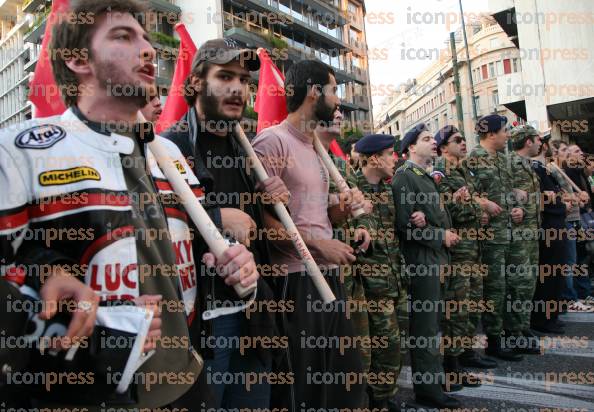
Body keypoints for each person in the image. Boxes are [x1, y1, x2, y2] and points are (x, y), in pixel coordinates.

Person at [0, 0, 257, 408]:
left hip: (188, 380)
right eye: (123, 36)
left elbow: (206, 248)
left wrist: (234, 263)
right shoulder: (21, 151)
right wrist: (44, 273)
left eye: (144, 36)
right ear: (77, 59)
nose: (149, 49)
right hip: (89, 396)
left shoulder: (170, 154)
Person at [161, 38, 288, 409]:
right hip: (204, 324)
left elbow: (260, 235)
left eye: (245, 80)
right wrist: (217, 219)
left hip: (254, 313)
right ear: (197, 82)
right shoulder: (171, 147)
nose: (238, 88)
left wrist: (273, 202)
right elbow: (149, 226)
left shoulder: (247, 152)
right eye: (225, 77)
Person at [252, 59, 366, 411]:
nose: (338, 101)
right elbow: (261, 225)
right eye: (334, 91)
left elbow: (315, 215)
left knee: (342, 379)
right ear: (314, 91)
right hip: (295, 281)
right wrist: (318, 246)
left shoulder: (316, 146)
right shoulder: (271, 142)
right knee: (303, 385)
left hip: (329, 275)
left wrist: (343, 212)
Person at [393, 123, 462, 409]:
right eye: (426, 139)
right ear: (410, 147)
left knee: (433, 326)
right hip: (422, 263)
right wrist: (439, 235)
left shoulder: (425, 176)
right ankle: (428, 391)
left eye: (433, 138)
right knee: (424, 329)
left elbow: (430, 216)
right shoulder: (405, 177)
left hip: (436, 260)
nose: (433, 142)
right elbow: (404, 226)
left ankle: (434, 382)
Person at [433, 125, 498, 374]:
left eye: (463, 139)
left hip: (474, 247)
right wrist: (474, 209)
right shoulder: (441, 173)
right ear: (443, 146)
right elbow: (447, 211)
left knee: (473, 302)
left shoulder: (464, 171)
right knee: (457, 307)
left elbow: (470, 203)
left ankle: (468, 352)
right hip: (459, 250)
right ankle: (452, 360)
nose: (463, 143)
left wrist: (476, 210)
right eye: (457, 140)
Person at [351, 133, 409, 410]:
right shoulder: (351, 190)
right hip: (368, 287)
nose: (394, 159)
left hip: (394, 280)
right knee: (374, 346)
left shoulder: (387, 190)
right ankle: (373, 399)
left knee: (393, 344)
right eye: (389, 154)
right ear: (374, 158)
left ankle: (384, 396)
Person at [467, 115, 525, 362]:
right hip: (488, 237)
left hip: (508, 232)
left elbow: (507, 191)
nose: (507, 135)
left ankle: (509, 334)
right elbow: (464, 193)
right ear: (491, 134)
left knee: (510, 286)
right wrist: (483, 204)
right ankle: (493, 341)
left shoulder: (502, 159)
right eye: (504, 131)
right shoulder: (474, 159)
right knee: (494, 289)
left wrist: (517, 206)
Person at [508, 125, 543, 354]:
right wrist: (514, 205)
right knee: (519, 284)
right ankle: (514, 331)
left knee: (529, 282)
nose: (541, 143)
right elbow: (499, 190)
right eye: (538, 139)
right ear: (528, 141)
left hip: (531, 231)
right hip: (518, 233)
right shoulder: (510, 163)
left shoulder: (528, 165)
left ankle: (523, 326)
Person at [531, 136, 571, 333]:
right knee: (549, 274)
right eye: (539, 141)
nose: (542, 145)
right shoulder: (535, 168)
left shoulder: (545, 169)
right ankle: (543, 319)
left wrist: (563, 202)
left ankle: (551, 316)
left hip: (557, 223)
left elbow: (556, 194)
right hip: (548, 226)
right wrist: (561, 203)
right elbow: (545, 199)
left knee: (557, 274)